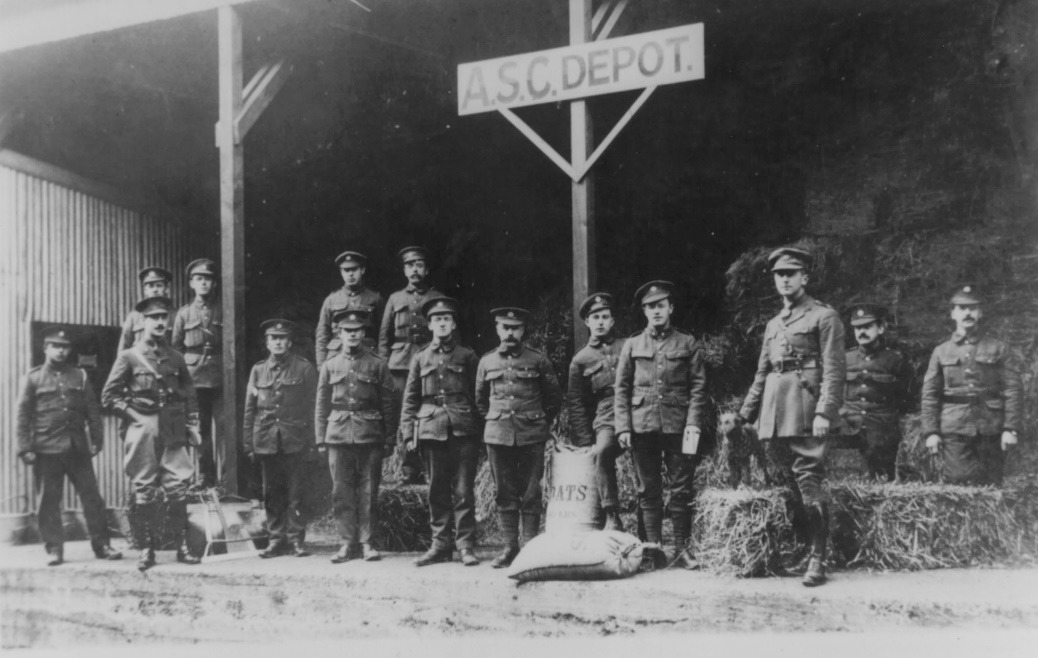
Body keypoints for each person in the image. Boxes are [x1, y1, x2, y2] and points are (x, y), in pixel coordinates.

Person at [738, 246, 845, 587]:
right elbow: (761, 372)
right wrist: (746, 414)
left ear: (805, 277)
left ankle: (819, 556)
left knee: (808, 478)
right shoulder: (773, 324)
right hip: (774, 409)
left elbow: (834, 369)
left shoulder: (823, 316)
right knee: (787, 481)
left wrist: (825, 412)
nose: (784, 280)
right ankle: (802, 547)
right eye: (778, 275)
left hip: (805, 406)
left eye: (790, 274)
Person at [102, 296, 203, 571]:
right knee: (144, 488)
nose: (160, 322)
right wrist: (135, 418)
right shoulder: (129, 357)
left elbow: (189, 394)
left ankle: (182, 546)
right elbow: (108, 396)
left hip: (172, 425)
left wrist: (193, 424)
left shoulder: (176, 357)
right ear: (143, 322)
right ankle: (146, 549)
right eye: (154, 317)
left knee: (177, 486)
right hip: (142, 427)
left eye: (163, 317)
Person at [614, 281, 708, 570]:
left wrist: (693, 423)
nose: (656, 311)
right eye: (650, 306)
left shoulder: (687, 343)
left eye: (661, 305)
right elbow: (621, 388)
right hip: (643, 426)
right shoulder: (632, 345)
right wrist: (623, 427)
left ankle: (682, 549)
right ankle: (653, 550)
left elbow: (698, 387)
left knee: (681, 489)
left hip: (679, 426)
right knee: (648, 489)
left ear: (671, 308)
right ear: (644, 311)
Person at [16, 326, 122, 566]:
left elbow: (92, 412)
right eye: (55, 346)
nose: (61, 351)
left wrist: (97, 439)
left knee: (92, 498)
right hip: (46, 449)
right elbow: (22, 416)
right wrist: (24, 448)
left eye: (64, 347)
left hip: (77, 449)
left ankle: (102, 545)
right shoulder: (33, 378)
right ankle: (54, 549)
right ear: (45, 349)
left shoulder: (80, 376)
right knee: (49, 501)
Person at [476, 307, 562, 568]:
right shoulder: (487, 362)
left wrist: (536, 420)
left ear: (523, 330)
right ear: (497, 329)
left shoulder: (538, 360)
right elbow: (480, 400)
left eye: (515, 328)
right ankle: (510, 547)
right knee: (504, 492)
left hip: (531, 434)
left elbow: (553, 398)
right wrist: (496, 418)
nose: (510, 333)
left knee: (531, 492)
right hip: (498, 435)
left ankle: (530, 548)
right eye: (505, 327)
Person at [400, 297, 482, 567]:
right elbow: (410, 398)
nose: (442, 324)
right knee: (436, 489)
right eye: (437, 319)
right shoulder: (420, 357)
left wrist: (480, 431)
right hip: (431, 428)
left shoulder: (467, 356)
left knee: (463, 489)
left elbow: (478, 395)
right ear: (430, 324)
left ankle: (466, 545)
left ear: (453, 323)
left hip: (463, 428)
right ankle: (440, 545)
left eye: (447, 319)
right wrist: (408, 433)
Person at [315, 309, 397, 564]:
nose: (352, 335)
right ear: (339, 334)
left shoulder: (377, 364)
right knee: (341, 491)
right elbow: (321, 404)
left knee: (368, 490)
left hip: (370, 434)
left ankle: (367, 542)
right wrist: (320, 438)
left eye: (356, 331)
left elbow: (388, 405)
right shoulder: (329, 366)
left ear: (363, 334)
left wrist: (390, 439)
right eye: (346, 331)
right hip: (338, 434)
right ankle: (346, 542)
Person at [920, 285, 1022, 486]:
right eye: (961, 308)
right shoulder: (941, 351)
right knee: (958, 481)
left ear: (980, 312)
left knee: (991, 484)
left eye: (972, 308)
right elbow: (930, 394)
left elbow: (1013, 390)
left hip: (990, 427)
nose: (967, 312)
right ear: (953, 313)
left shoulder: (998, 348)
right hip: (954, 427)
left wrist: (1010, 428)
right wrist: (931, 432)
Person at [243, 319, 318, 558]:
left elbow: (314, 407)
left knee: (296, 493)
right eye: (273, 338)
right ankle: (276, 540)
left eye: (282, 338)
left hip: (295, 440)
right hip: (266, 439)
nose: (278, 342)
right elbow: (250, 409)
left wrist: (313, 442)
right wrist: (248, 443)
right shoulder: (257, 370)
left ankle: (296, 540)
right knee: (271, 494)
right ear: (266, 343)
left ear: (290, 342)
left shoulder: (304, 368)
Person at [379, 246, 443, 485]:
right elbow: (385, 337)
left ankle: (428, 468)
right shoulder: (396, 299)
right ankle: (408, 469)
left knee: (427, 414)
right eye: (410, 265)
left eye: (419, 265)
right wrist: (384, 368)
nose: (414, 270)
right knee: (405, 416)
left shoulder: (435, 298)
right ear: (404, 270)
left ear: (426, 270)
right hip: (400, 366)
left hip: (428, 364)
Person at [566, 292, 624, 531]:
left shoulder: (628, 346)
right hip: (607, 416)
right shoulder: (580, 360)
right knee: (602, 452)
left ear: (612, 321)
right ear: (587, 322)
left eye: (605, 316)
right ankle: (611, 514)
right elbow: (576, 403)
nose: (600, 321)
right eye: (595, 317)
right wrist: (584, 441)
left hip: (635, 409)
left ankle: (647, 525)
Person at [840, 303, 913, 480]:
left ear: (880, 329)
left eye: (867, 327)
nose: (861, 332)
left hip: (882, 430)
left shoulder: (895, 361)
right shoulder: (844, 359)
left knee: (883, 478)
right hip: (849, 428)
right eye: (857, 328)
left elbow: (905, 400)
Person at [172, 258, 223, 487]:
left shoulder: (224, 308)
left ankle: (229, 477)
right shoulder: (183, 314)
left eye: (208, 279)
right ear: (191, 283)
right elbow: (176, 350)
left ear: (214, 283)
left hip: (222, 376)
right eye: (199, 279)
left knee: (225, 427)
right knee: (201, 428)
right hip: (195, 378)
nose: (204, 283)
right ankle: (206, 475)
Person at [315, 250, 384, 368]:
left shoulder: (375, 299)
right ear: (341, 272)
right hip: (337, 357)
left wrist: (382, 361)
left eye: (354, 269)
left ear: (362, 270)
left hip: (368, 357)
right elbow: (322, 333)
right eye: (346, 270)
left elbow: (383, 334)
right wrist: (321, 364)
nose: (350, 274)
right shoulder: (331, 300)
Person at [118, 267, 173, 350]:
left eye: (159, 286)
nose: (155, 290)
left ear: (167, 289)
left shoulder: (175, 315)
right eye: (150, 286)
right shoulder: (134, 317)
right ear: (145, 290)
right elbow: (124, 347)